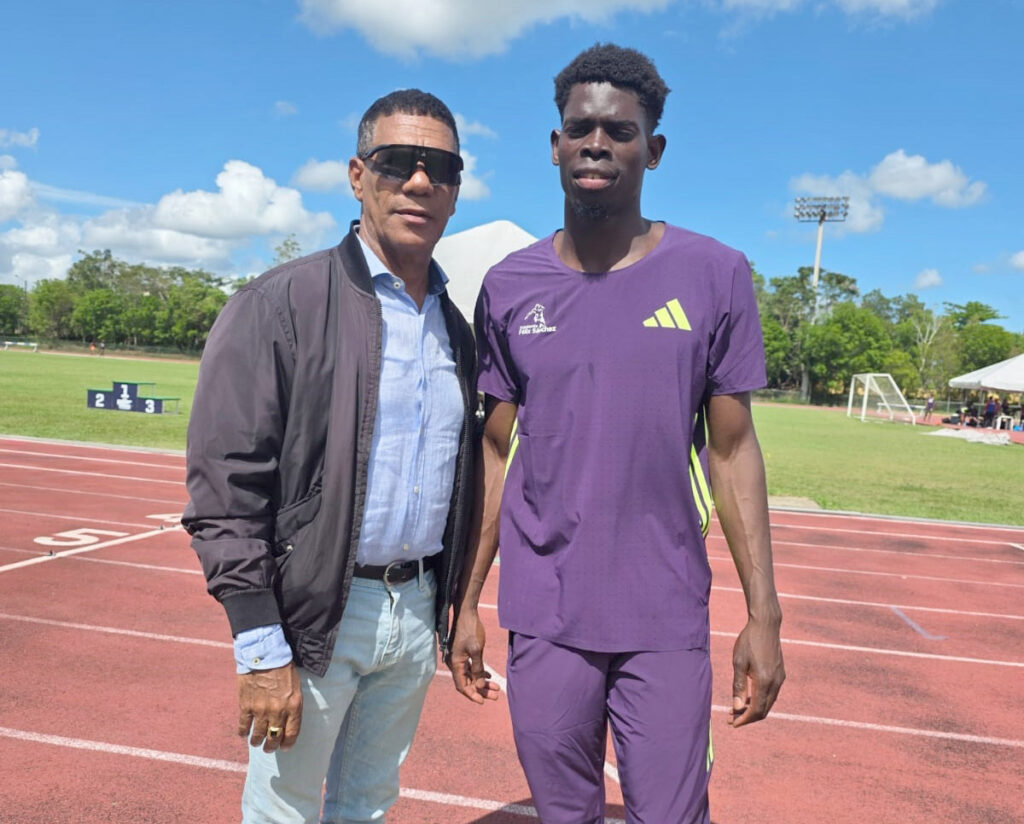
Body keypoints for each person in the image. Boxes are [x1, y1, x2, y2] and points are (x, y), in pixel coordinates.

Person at [448, 44, 785, 824]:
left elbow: (733, 449)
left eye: (620, 131)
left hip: (663, 613)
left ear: (652, 149)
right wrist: (465, 601)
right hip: (545, 613)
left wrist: (765, 614)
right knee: (563, 814)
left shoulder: (715, 273)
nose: (597, 144)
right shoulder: (509, 285)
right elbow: (495, 451)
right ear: (556, 144)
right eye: (581, 128)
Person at [182, 89, 477, 824]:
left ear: (456, 187)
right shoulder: (278, 304)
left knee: (369, 805)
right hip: (313, 611)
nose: (419, 182)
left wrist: (454, 606)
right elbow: (226, 487)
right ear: (357, 174)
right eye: (397, 161)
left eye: (440, 167)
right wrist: (259, 642)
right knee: (284, 808)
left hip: (416, 606)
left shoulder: (457, 330)